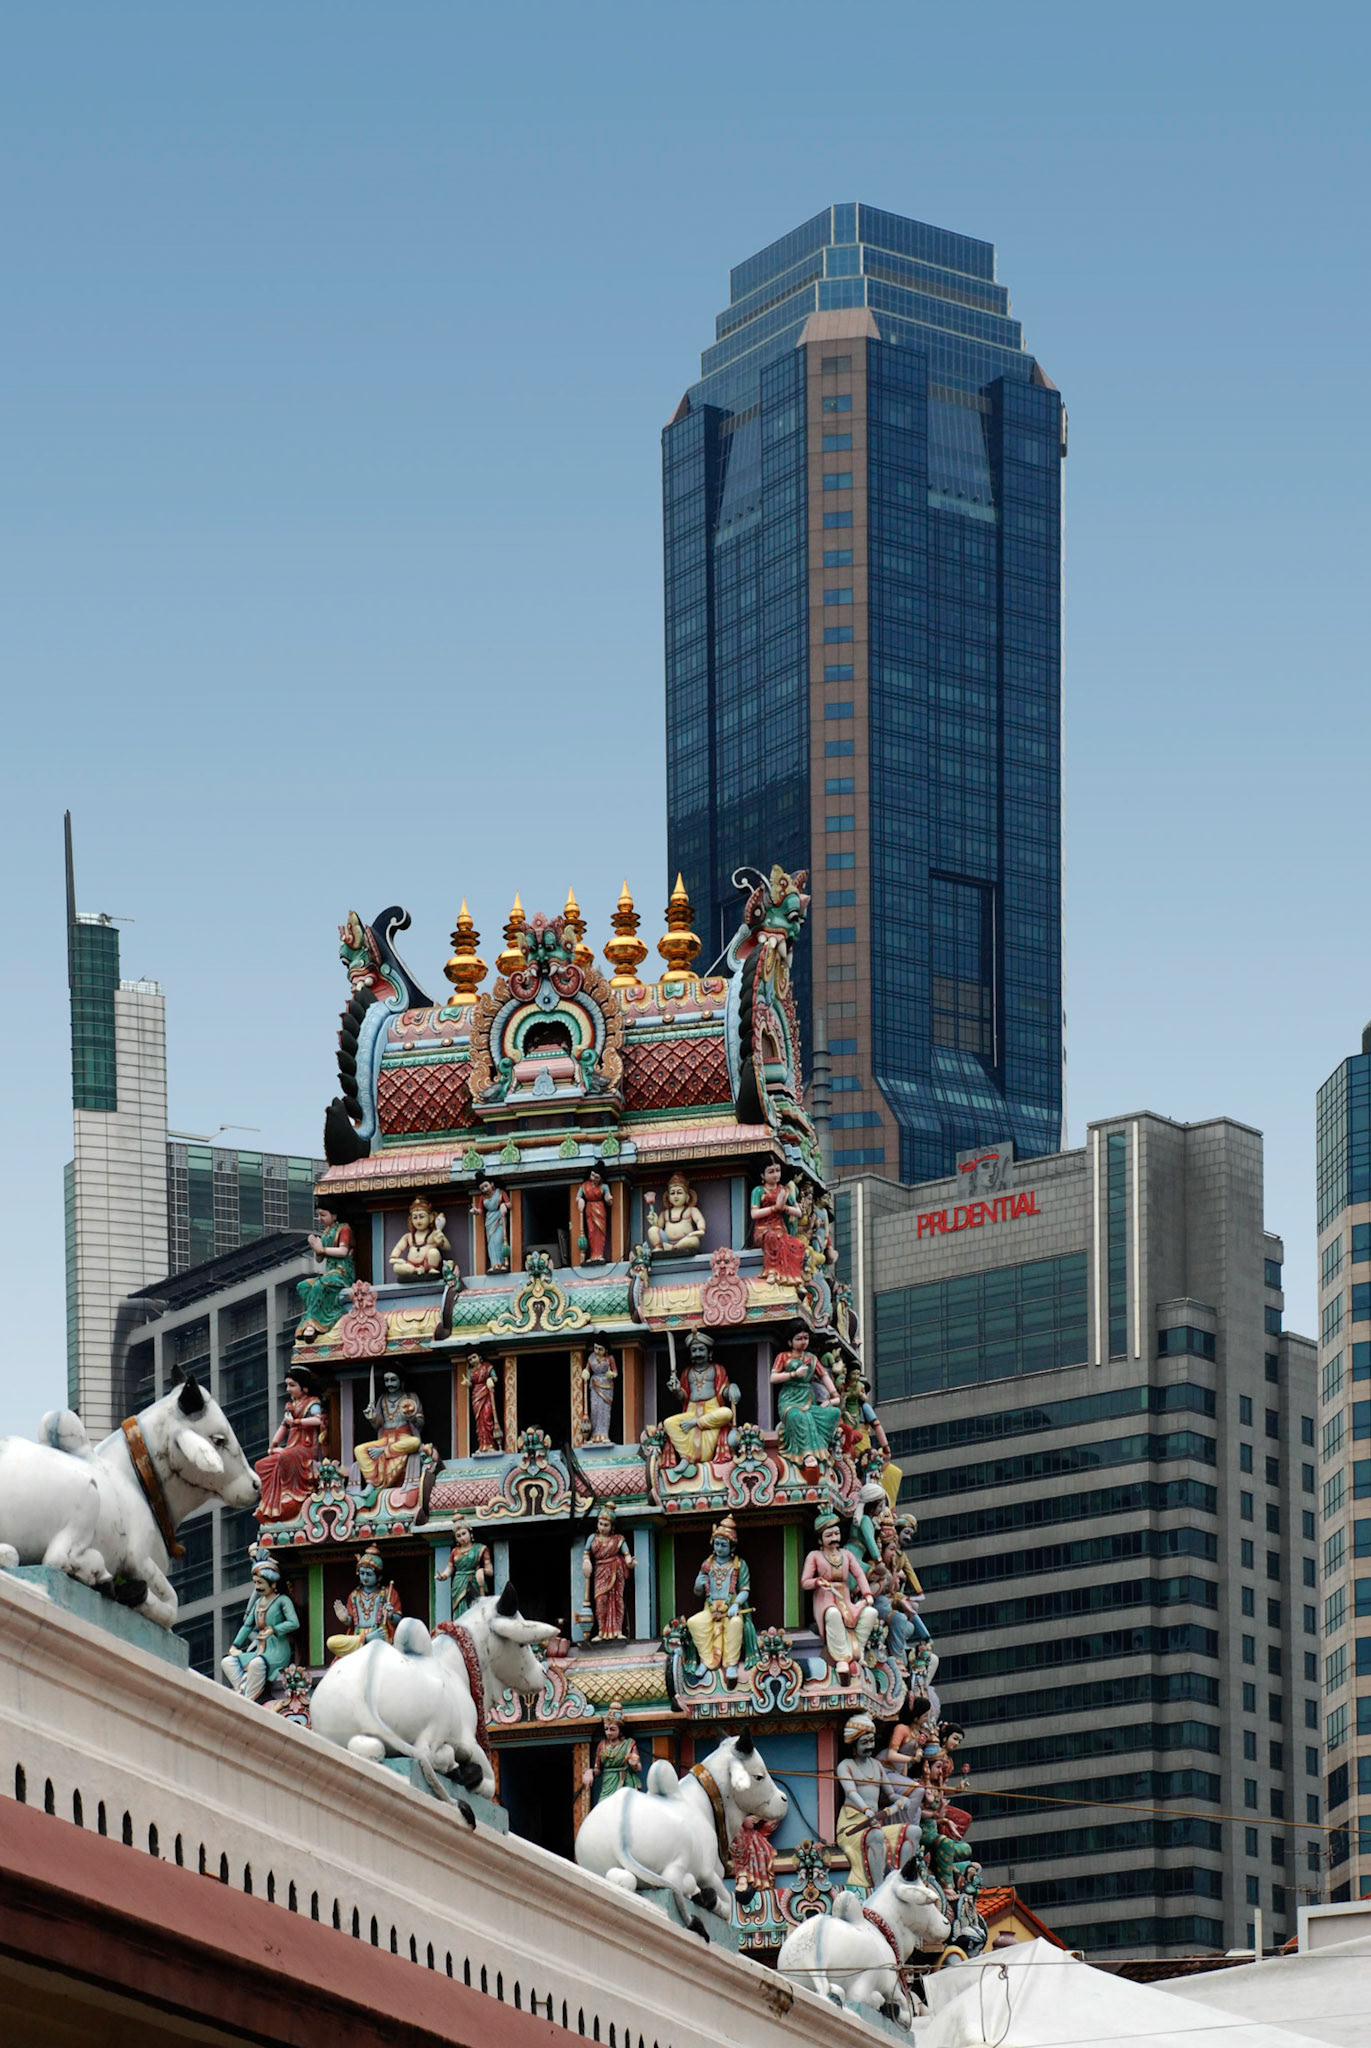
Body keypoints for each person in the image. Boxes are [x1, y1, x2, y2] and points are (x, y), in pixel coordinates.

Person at [835, 1711, 923, 1872]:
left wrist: (901, 1799)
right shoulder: (845, 1765)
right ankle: (878, 1884)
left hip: (875, 1823)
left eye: (871, 1741)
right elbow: (851, 1793)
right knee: (876, 1836)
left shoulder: (877, 1765)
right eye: (864, 1742)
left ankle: (900, 1877)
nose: (869, 1746)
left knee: (914, 1832)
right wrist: (866, 1810)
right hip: (853, 1824)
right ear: (854, 1745)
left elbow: (890, 1794)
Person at [801, 1512, 877, 1681]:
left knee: (870, 1613)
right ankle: (842, 1657)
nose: (834, 1538)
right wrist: (817, 1582)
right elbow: (805, 1582)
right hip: (825, 1599)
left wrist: (867, 1594)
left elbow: (859, 1575)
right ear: (820, 1540)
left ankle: (858, 1651)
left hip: (845, 1599)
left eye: (836, 1534)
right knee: (833, 1614)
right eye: (829, 1535)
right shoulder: (814, 1556)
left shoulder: (846, 1554)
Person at [685, 1515, 754, 1684]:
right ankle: (707, 1660)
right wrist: (698, 1584)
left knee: (735, 1624)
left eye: (723, 1545)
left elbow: (745, 1590)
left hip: (730, 1608)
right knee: (694, 1623)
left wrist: (736, 1604)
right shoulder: (707, 1564)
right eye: (717, 1544)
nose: (719, 1548)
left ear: (732, 1547)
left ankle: (731, 1664)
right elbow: (698, 1592)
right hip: (710, 1609)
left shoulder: (739, 1564)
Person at [221, 1558, 299, 1702]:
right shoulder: (258, 1603)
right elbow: (247, 1626)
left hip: (277, 1651)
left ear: (273, 1584)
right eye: (255, 1583)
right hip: (260, 1650)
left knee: (256, 1664)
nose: (257, 1587)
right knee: (228, 1662)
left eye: (260, 1583)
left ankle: (249, 1699)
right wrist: (235, 1646)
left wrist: (274, 1630)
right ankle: (243, 1692)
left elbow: (294, 1623)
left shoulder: (282, 1600)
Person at [662, 1328, 736, 1475]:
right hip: (691, 1410)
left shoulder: (717, 1369)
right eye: (694, 1350)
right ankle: (686, 1456)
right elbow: (683, 1396)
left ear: (710, 1353)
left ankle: (697, 1422)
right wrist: (676, 1390)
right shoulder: (687, 1372)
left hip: (711, 1410)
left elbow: (723, 1390)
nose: (697, 1354)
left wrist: (732, 1388)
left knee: (726, 1413)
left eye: (701, 1350)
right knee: (668, 1423)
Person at [255, 1367, 325, 1522]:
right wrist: (273, 1445)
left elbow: (318, 1420)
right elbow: (283, 1426)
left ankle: (291, 1494)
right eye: (287, 1385)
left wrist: (297, 1422)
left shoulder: (312, 1402)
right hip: (292, 1447)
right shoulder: (292, 1405)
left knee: (285, 1456)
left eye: (292, 1385)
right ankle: (270, 1503)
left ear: (304, 1386)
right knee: (262, 1465)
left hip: (306, 1448)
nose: (288, 1389)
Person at [770, 1328, 842, 1471]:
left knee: (833, 1413)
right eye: (799, 1339)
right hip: (790, 1400)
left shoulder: (812, 1358)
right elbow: (773, 1378)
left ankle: (821, 1449)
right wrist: (793, 1374)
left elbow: (824, 1376)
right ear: (790, 1342)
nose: (803, 1342)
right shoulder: (783, 1356)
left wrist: (834, 1396)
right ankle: (806, 1454)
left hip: (808, 1400)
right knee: (798, 1416)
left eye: (805, 1338)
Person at [353, 1373, 424, 1491]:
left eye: (393, 1380)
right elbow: (377, 1426)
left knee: (415, 1442)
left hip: (403, 1437)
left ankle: (384, 1451)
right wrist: (372, 1418)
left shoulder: (410, 1397)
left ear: (401, 1381)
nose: (389, 1384)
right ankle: (371, 1483)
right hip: (385, 1438)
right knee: (359, 1450)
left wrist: (412, 1417)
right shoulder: (382, 1399)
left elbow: (420, 1423)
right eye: (387, 1380)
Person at [326, 1548, 401, 1657]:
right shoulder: (354, 1595)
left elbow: (398, 1618)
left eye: (369, 1574)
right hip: (358, 1638)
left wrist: (390, 1616)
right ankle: (365, 1639)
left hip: (379, 1635)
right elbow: (352, 1621)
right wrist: (345, 1619)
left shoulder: (388, 1592)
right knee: (331, 1642)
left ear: (379, 1577)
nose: (365, 1577)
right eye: (362, 1573)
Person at [296, 1205, 355, 1341]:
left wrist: (322, 1249)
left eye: (323, 1215)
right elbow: (319, 1259)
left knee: (319, 1286)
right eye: (318, 1215)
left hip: (342, 1273)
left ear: (334, 1216)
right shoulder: (326, 1233)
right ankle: (321, 1315)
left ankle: (313, 1324)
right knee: (303, 1286)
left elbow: (343, 1251)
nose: (320, 1218)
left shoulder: (344, 1229)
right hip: (329, 1275)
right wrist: (316, 1248)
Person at [581, 1506, 635, 1640]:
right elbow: (586, 1554)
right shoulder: (592, 1538)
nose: (602, 1527)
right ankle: (601, 1631)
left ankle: (618, 1630)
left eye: (606, 1525)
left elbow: (627, 1555)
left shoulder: (618, 1539)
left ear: (612, 1527)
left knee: (617, 1600)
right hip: (600, 1571)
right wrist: (586, 1561)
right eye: (600, 1524)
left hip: (615, 1571)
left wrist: (629, 1563)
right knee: (600, 1600)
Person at [581, 1703, 641, 1802]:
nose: (608, 1732)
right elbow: (598, 1770)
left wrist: (633, 1763)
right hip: (607, 1784)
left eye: (612, 1729)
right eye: (606, 1729)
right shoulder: (602, 1745)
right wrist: (590, 1771)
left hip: (625, 1782)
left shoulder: (629, 1744)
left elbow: (638, 1767)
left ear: (620, 1730)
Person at [436, 1518, 493, 1616]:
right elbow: (450, 1568)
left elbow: (490, 1571)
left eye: (464, 1533)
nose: (462, 1538)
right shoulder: (454, 1552)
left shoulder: (480, 1548)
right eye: (458, 1536)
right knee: (460, 1609)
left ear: (470, 1533)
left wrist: (482, 1571)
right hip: (459, 1583)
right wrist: (443, 1576)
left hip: (474, 1581)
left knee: (475, 1607)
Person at [389, 1196, 451, 1279]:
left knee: (433, 1252)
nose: (418, 1221)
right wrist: (394, 1258)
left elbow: (448, 1248)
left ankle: (432, 1269)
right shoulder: (408, 1236)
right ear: (411, 1220)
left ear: (431, 1218)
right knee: (396, 1267)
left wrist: (441, 1242)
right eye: (415, 1217)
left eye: (422, 1217)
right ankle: (416, 1270)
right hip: (411, 1265)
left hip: (427, 1263)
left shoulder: (434, 1234)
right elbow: (399, 1248)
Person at [645, 1173, 706, 1255]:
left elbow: (699, 1220)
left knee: (694, 1240)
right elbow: (659, 1228)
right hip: (666, 1241)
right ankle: (659, 1247)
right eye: (672, 1193)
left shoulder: (691, 1210)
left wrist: (701, 1230)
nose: (676, 1196)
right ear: (668, 1197)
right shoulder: (665, 1213)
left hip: (684, 1240)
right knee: (652, 1230)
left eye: (679, 1193)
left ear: (687, 1196)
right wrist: (654, 1222)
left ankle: (675, 1247)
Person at [466, 1351, 503, 1453]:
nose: (472, 1360)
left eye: (474, 1357)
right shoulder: (470, 1371)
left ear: (479, 1357)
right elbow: (470, 1383)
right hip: (476, 1395)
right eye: (470, 1359)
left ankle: (490, 1444)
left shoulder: (487, 1366)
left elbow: (495, 1378)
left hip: (486, 1392)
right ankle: (482, 1445)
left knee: (487, 1418)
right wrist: (467, 1383)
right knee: (480, 1421)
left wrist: (490, 1379)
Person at [581, 1341, 617, 1444]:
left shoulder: (610, 1358)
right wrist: (585, 1372)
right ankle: (594, 1435)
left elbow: (615, 1372)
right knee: (595, 1409)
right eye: (596, 1348)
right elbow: (587, 1368)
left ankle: (604, 1434)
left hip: (606, 1386)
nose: (597, 1351)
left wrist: (612, 1374)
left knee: (605, 1410)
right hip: (595, 1384)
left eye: (600, 1349)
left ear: (606, 1350)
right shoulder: (591, 1357)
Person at [472, 1179, 510, 1272]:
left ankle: (502, 1263)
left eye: (486, 1186)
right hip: (489, 1220)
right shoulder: (482, 1197)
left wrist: (504, 1205)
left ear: (491, 1184)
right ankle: (494, 1264)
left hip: (499, 1218)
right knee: (491, 1244)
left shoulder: (500, 1193)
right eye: (482, 1188)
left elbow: (509, 1204)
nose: (485, 1189)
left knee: (498, 1241)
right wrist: (475, 1211)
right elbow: (480, 1210)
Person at [576, 1168, 612, 1264]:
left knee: (600, 1232)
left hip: (600, 1209)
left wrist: (609, 1199)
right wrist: (580, 1200)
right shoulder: (584, 1186)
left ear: (601, 1178)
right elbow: (578, 1197)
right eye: (592, 1175)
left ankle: (599, 1255)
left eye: (596, 1177)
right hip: (589, 1209)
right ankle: (593, 1255)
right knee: (591, 1232)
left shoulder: (604, 1187)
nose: (593, 1179)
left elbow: (607, 1196)